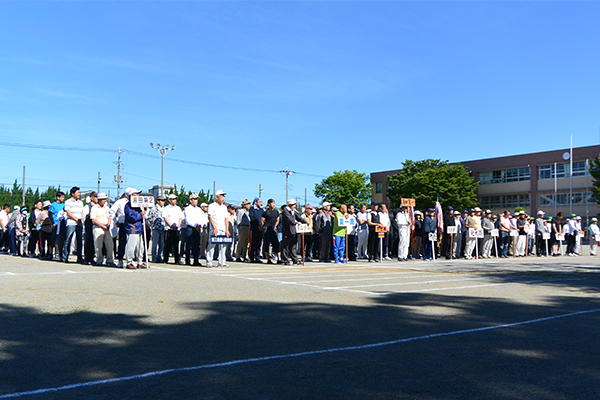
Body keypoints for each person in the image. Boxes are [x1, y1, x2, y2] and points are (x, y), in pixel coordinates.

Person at [206, 189, 230, 268]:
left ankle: (222, 262)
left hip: (222, 229)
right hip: (214, 229)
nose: (223, 197)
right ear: (217, 197)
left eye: (224, 196)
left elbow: (226, 218)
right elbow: (210, 217)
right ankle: (209, 261)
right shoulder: (212, 206)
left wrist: (227, 229)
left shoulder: (224, 207)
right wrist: (214, 228)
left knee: (223, 246)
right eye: (221, 196)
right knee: (212, 245)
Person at [91, 193, 115, 266]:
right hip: (98, 227)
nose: (105, 201)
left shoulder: (107, 208)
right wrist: (103, 226)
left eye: (105, 199)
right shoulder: (94, 208)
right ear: (99, 200)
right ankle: (99, 260)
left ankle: (110, 259)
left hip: (107, 227)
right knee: (98, 245)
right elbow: (94, 219)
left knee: (110, 244)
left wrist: (109, 223)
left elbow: (109, 217)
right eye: (103, 199)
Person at [123, 189, 146, 269]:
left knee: (141, 246)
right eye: (136, 194)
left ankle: (140, 261)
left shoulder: (139, 205)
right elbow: (131, 216)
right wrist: (141, 215)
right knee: (131, 246)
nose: (138, 196)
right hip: (132, 227)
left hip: (139, 227)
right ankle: (129, 261)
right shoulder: (128, 205)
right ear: (131, 195)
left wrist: (144, 210)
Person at [280, 199, 307, 265]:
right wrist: (297, 222)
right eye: (294, 204)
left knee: (293, 246)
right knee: (286, 246)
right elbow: (290, 220)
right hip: (287, 231)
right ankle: (286, 260)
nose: (295, 206)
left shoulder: (294, 211)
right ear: (290, 205)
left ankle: (295, 259)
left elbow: (299, 217)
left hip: (293, 231)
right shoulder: (285, 211)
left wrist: (305, 222)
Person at [110, 190, 132, 267]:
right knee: (122, 243)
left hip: (133, 224)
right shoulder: (120, 202)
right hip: (123, 224)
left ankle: (130, 260)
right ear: (126, 194)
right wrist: (116, 221)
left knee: (132, 243)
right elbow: (112, 211)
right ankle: (120, 259)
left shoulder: (136, 202)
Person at [63, 187, 84, 263]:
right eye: (77, 192)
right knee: (68, 239)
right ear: (72, 193)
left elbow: (82, 212)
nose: (79, 194)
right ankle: (66, 256)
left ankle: (79, 257)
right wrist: (76, 219)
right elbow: (68, 212)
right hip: (71, 222)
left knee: (79, 241)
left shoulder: (81, 202)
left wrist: (80, 220)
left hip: (79, 223)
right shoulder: (68, 202)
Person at [183, 193, 203, 266]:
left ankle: (196, 260)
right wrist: (195, 225)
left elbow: (201, 218)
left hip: (197, 228)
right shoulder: (187, 209)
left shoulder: (199, 209)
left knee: (197, 245)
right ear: (191, 200)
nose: (196, 201)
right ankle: (187, 260)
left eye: (197, 199)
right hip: (190, 228)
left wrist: (200, 225)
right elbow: (188, 219)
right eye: (194, 199)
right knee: (189, 244)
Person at [163, 194, 183, 264]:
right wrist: (171, 226)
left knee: (176, 245)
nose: (175, 200)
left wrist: (178, 225)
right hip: (169, 229)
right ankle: (165, 259)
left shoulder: (178, 208)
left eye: (175, 199)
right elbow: (165, 218)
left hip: (177, 229)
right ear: (169, 200)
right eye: (173, 199)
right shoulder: (166, 208)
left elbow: (181, 217)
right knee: (167, 245)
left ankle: (177, 259)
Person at [147, 195, 166, 263]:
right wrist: (152, 226)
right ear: (158, 201)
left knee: (162, 244)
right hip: (155, 228)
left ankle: (159, 256)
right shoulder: (153, 208)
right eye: (162, 200)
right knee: (155, 243)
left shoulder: (164, 209)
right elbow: (149, 218)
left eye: (163, 201)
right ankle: (154, 257)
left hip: (162, 228)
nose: (163, 202)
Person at [261, 199, 280, 264]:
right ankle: (268, 259)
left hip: (273, 230)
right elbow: (262, 221)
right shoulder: (266, 212)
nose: (273, 204)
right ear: (269, 204)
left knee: (276, 244)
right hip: (267, 230)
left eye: (274, 203)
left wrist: (275, 226)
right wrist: (264, 227)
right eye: (272, 203)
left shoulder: (276, 212)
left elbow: (278, 220)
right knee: (266, 244)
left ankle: (279, 259)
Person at [82, 192, 98, 265]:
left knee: (95, 242)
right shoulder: (87, 207)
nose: (97, 198)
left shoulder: (98, 207)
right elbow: (83, 217)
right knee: (88, 242)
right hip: (89, 226)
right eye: (95, 197)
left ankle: (92, 257)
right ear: (91, 198)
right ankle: (87, 258)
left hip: (96, 226)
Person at [48, 191, 65, 260]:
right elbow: (50, 214)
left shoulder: (63, 205)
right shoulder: (53, 205)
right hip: (55, 223)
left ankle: (59, 253)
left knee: (60, 240)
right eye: (62, 197)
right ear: (58, 197)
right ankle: (50, 253)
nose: (63, 199)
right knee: (53, 240)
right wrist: (52, 223)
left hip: (61, 224)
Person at [248, 198, 264, 263]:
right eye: (260, 202)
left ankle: (257, 257)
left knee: (259, 243)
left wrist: (262, 226)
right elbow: (252, 219)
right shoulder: (252, 209)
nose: (261, 203)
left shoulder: (262, 210)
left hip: (261, 229)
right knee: (253, 243)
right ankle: (251, 257)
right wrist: (258, 226)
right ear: (256, 202)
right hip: (254, 229)